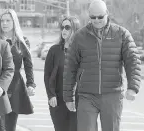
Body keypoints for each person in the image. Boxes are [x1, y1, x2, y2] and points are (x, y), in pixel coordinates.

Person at [63, 0, 142, 131]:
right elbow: (70, 67)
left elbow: (133, 61)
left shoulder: (122, 34)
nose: (97, 20)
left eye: (100, 16)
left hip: (112, 95)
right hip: (87, 95)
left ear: (107, 13)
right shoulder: (79, 37)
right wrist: (68, 97)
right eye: (93, 17)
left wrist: (133, 87)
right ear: (89, 16)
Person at [0, 9, 36, 131]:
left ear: (14, 22)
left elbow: (28, 65)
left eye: (8, 20)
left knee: (10, 126)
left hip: (15, 86)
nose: (4, 23)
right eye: (2, 21)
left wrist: (31, 84)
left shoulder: (23, 41)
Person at [44, 16, 80, 131]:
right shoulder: (54, 50)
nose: (63, 30)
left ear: (75, 29)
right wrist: (51, 95)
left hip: (76, 100)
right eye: (62, 27)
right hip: (58, 101)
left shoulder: (81, 51)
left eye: (67, 27)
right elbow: (47, 75)